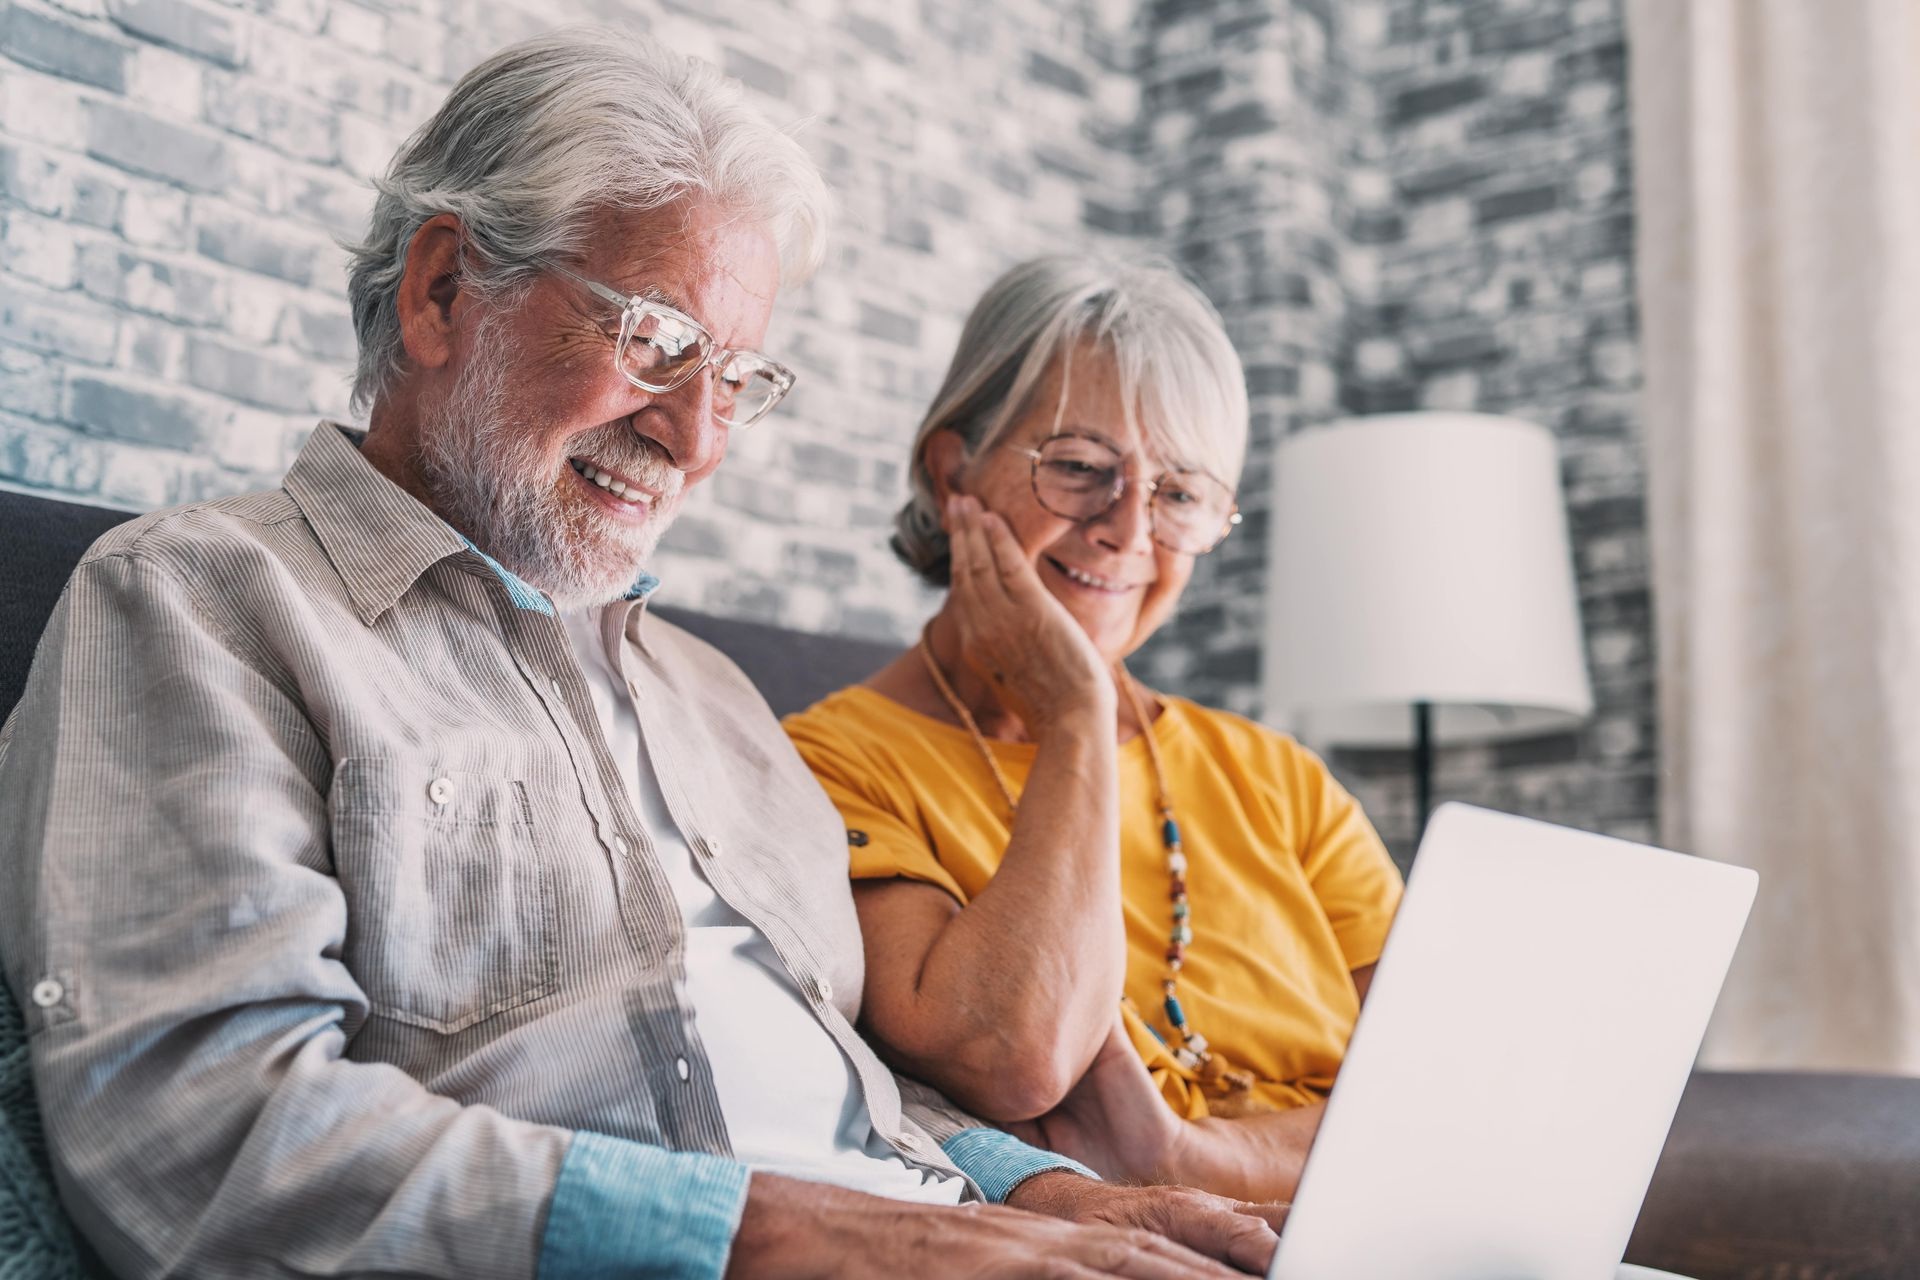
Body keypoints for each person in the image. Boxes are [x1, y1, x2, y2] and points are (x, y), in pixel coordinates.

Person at [0, 31, 1287, 1280]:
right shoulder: (201, 605)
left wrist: (1058, 1201)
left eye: (737, 379)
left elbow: (838, 1076)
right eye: (657, 342)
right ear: (444, 289)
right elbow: (198, 1134)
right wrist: (806, 1236)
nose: (697, 437)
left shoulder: (714, 698)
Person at [784, 257, 1406, 1204]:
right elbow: (1015, 1058)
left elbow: (1445, 1112)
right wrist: (1076, 716)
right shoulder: (823, 766)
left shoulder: (1284, 782)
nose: (1129, 530)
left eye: (1180, 494)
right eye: (1078, 468)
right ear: (952, 471)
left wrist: (1185, 1161)